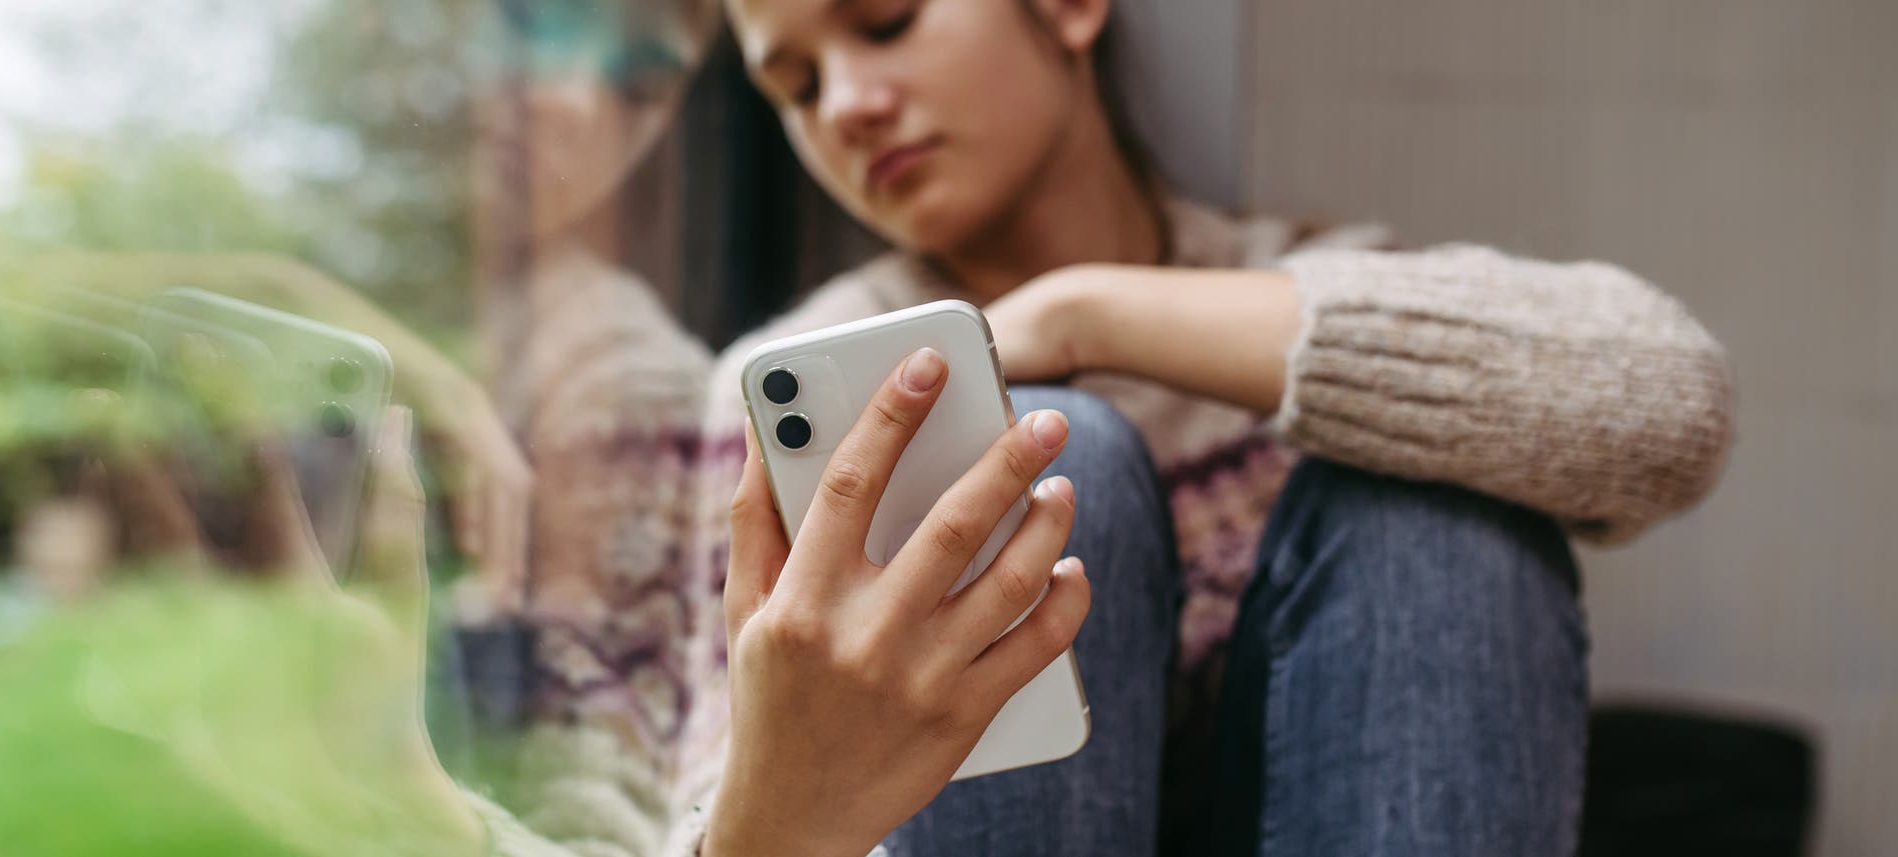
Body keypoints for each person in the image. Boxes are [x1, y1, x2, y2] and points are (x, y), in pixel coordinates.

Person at [652, 0, 1734, 856]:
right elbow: (706, 801)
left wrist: (1088, 312)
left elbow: (1672, 400)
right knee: (1066, 452)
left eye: (884, 21)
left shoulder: (1282, 295)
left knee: (1430, 509)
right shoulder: (795, 393)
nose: (844, 104)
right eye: (793, 88)